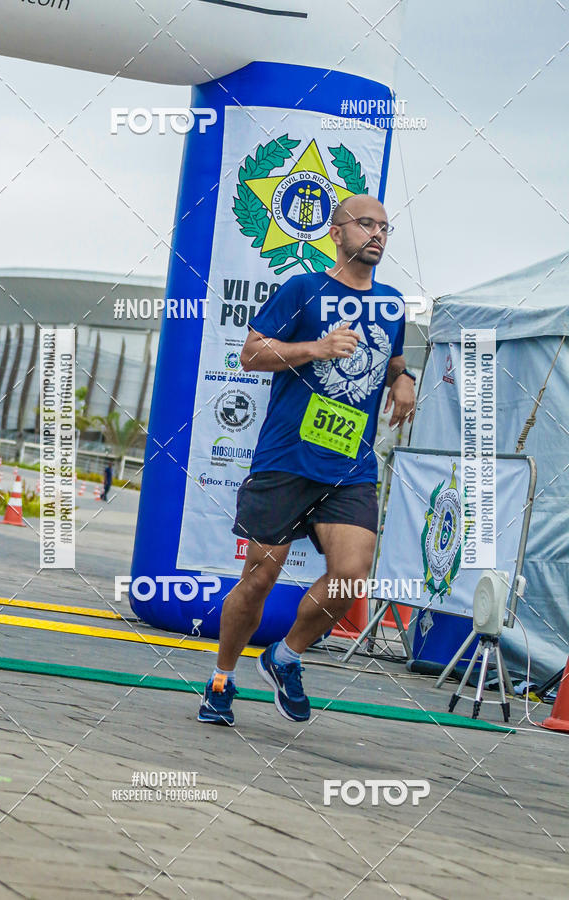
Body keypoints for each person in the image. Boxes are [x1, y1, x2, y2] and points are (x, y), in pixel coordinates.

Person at [198, 193, 416, 726]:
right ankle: (222, 678)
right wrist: (314, 348)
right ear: (336, 233)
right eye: (365, 224)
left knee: (350, 578)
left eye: (385, 227)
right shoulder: (303, 289)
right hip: (287, 458)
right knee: (258, 579)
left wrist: (404, 378)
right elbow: (251, 354)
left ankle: (286, 656)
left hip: (349, 467)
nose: (377, 234)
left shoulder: (392, 303)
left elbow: (391, 358)